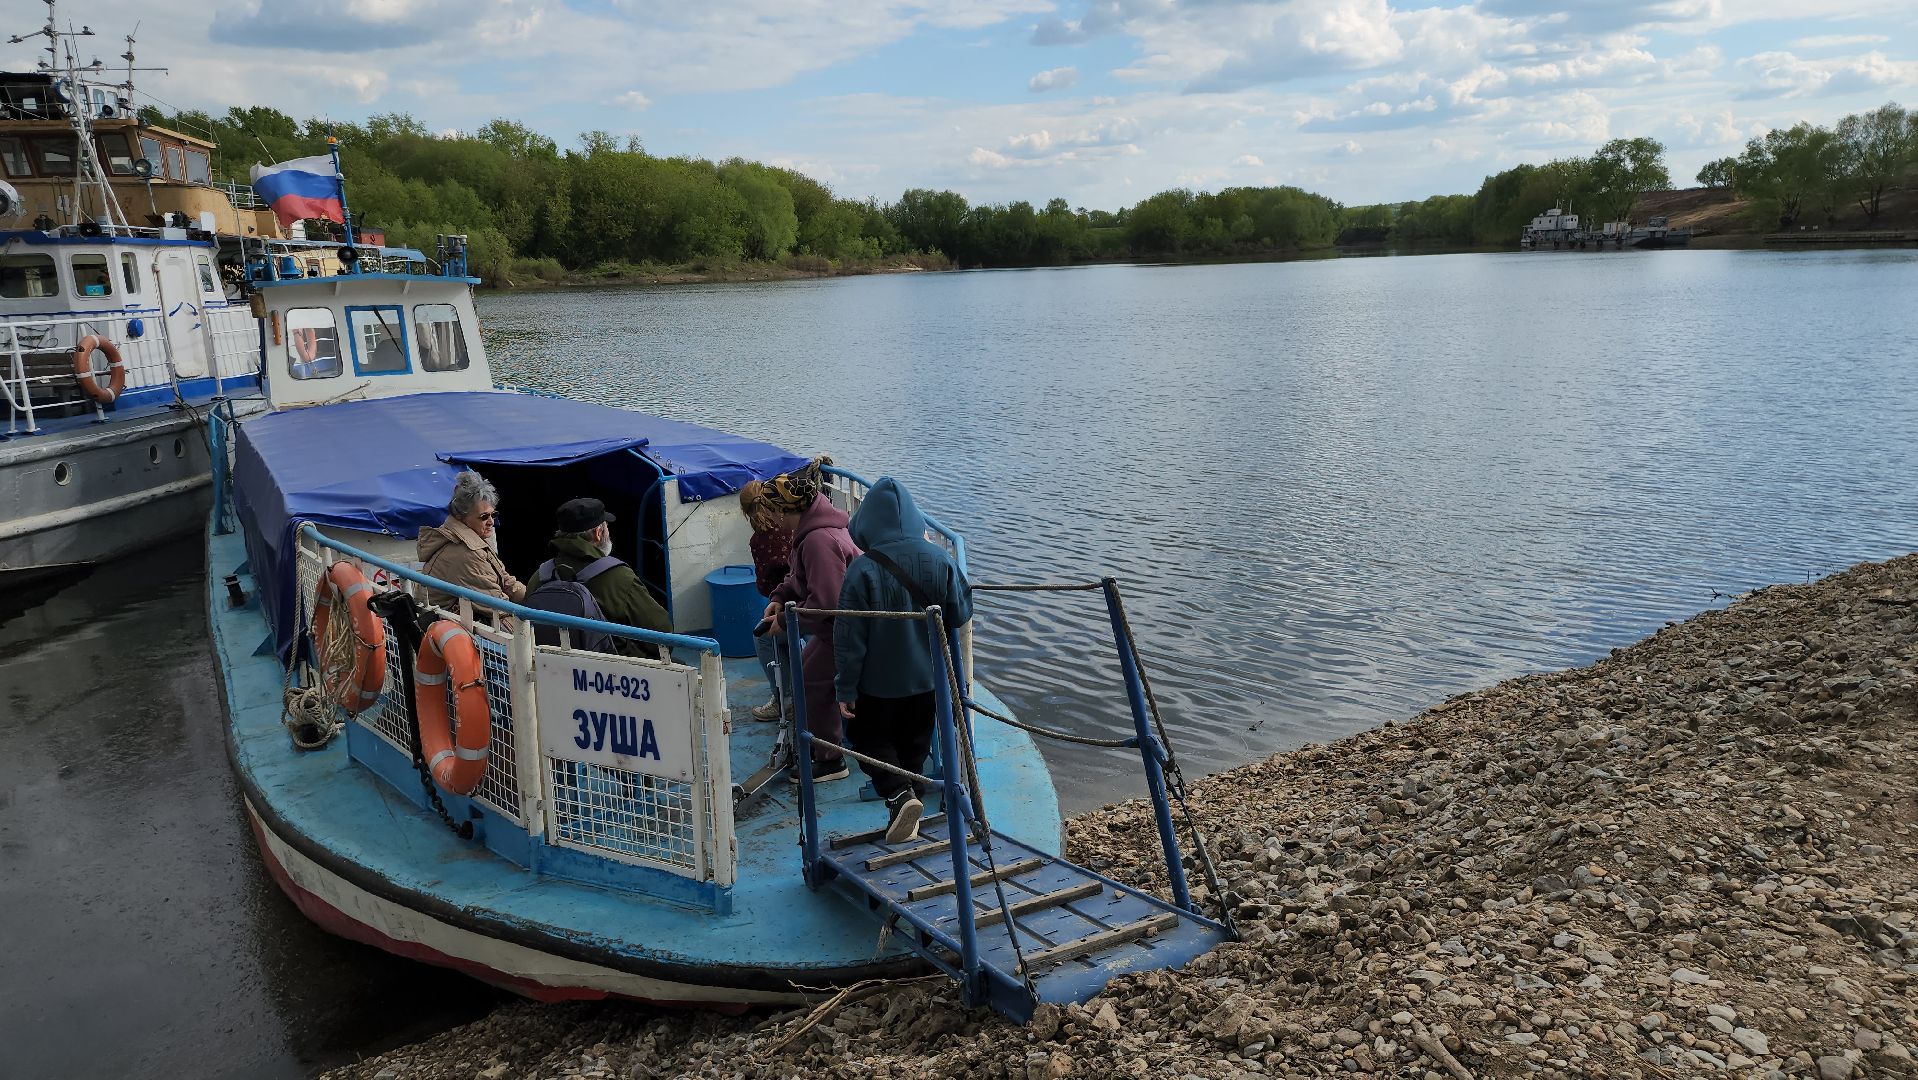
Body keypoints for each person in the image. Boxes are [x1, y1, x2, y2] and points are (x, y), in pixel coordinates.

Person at [834, 477, 971, 842]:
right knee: (915, 744)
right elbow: (960, 613)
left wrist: (845, 687)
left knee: (865, 737)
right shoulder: (942, 559)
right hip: (927, 681)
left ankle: (899, 796)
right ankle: (910, 801)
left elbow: (849, 638)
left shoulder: (862, 570)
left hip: (876, 685)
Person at [762, 459, 858, 783]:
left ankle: (832, 760)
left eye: (775, 512)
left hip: (848, 632)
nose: (773, 519)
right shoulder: (810, 532)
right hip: (833, 630)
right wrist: (778, 598)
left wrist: (789, 621)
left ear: (789, 510)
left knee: (811, 681)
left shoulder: (818, 541)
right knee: (805, 673)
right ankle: (822, 746)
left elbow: (828, 601)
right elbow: (796, 577)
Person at [527, 497, 672, 660]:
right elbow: (662, 632)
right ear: (598, 533)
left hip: (552, 668)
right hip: (608, 676)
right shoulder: (619, 577)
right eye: (606, 527)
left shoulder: (540, 576)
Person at [417, 471, 525, 611]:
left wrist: (535, 597)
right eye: (484, 517)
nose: (491, 522)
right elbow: (496, 605)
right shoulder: (467, 552)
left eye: (494, 514)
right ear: (462, 517)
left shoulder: (471, 539)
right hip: (446, 623)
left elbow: (505, 579)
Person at [739, 480, 794, 721]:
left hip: (793, 609)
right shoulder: (792, 525)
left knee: (762, 637)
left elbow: (764, 587)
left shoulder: (758, 542)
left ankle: (784, 699)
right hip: (816, 601)